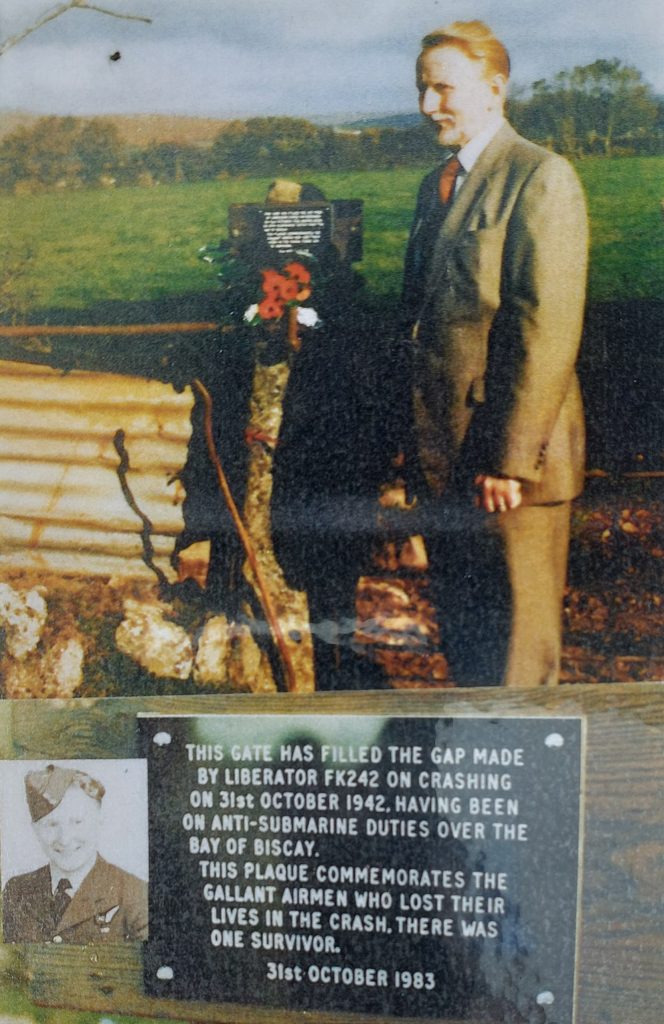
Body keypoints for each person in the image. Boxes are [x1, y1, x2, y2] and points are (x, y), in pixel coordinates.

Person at [400, 21, 588, 687]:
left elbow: (546, 330)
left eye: (443, 88)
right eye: (422, 89)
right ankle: (481, 782)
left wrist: (510, 459)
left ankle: (529, 788)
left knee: (517, 655)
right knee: (470, 640)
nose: (429, 106)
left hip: (514, 468)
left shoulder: (540, 177)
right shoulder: (437, 186)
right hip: (448, 458)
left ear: (495, 89)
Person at [2, 764, 148, 943]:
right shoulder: (16, 891)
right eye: (51, 824)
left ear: (99, 819)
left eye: (77, 821)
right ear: (35, 830)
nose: (65, 839)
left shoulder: (136, 894)